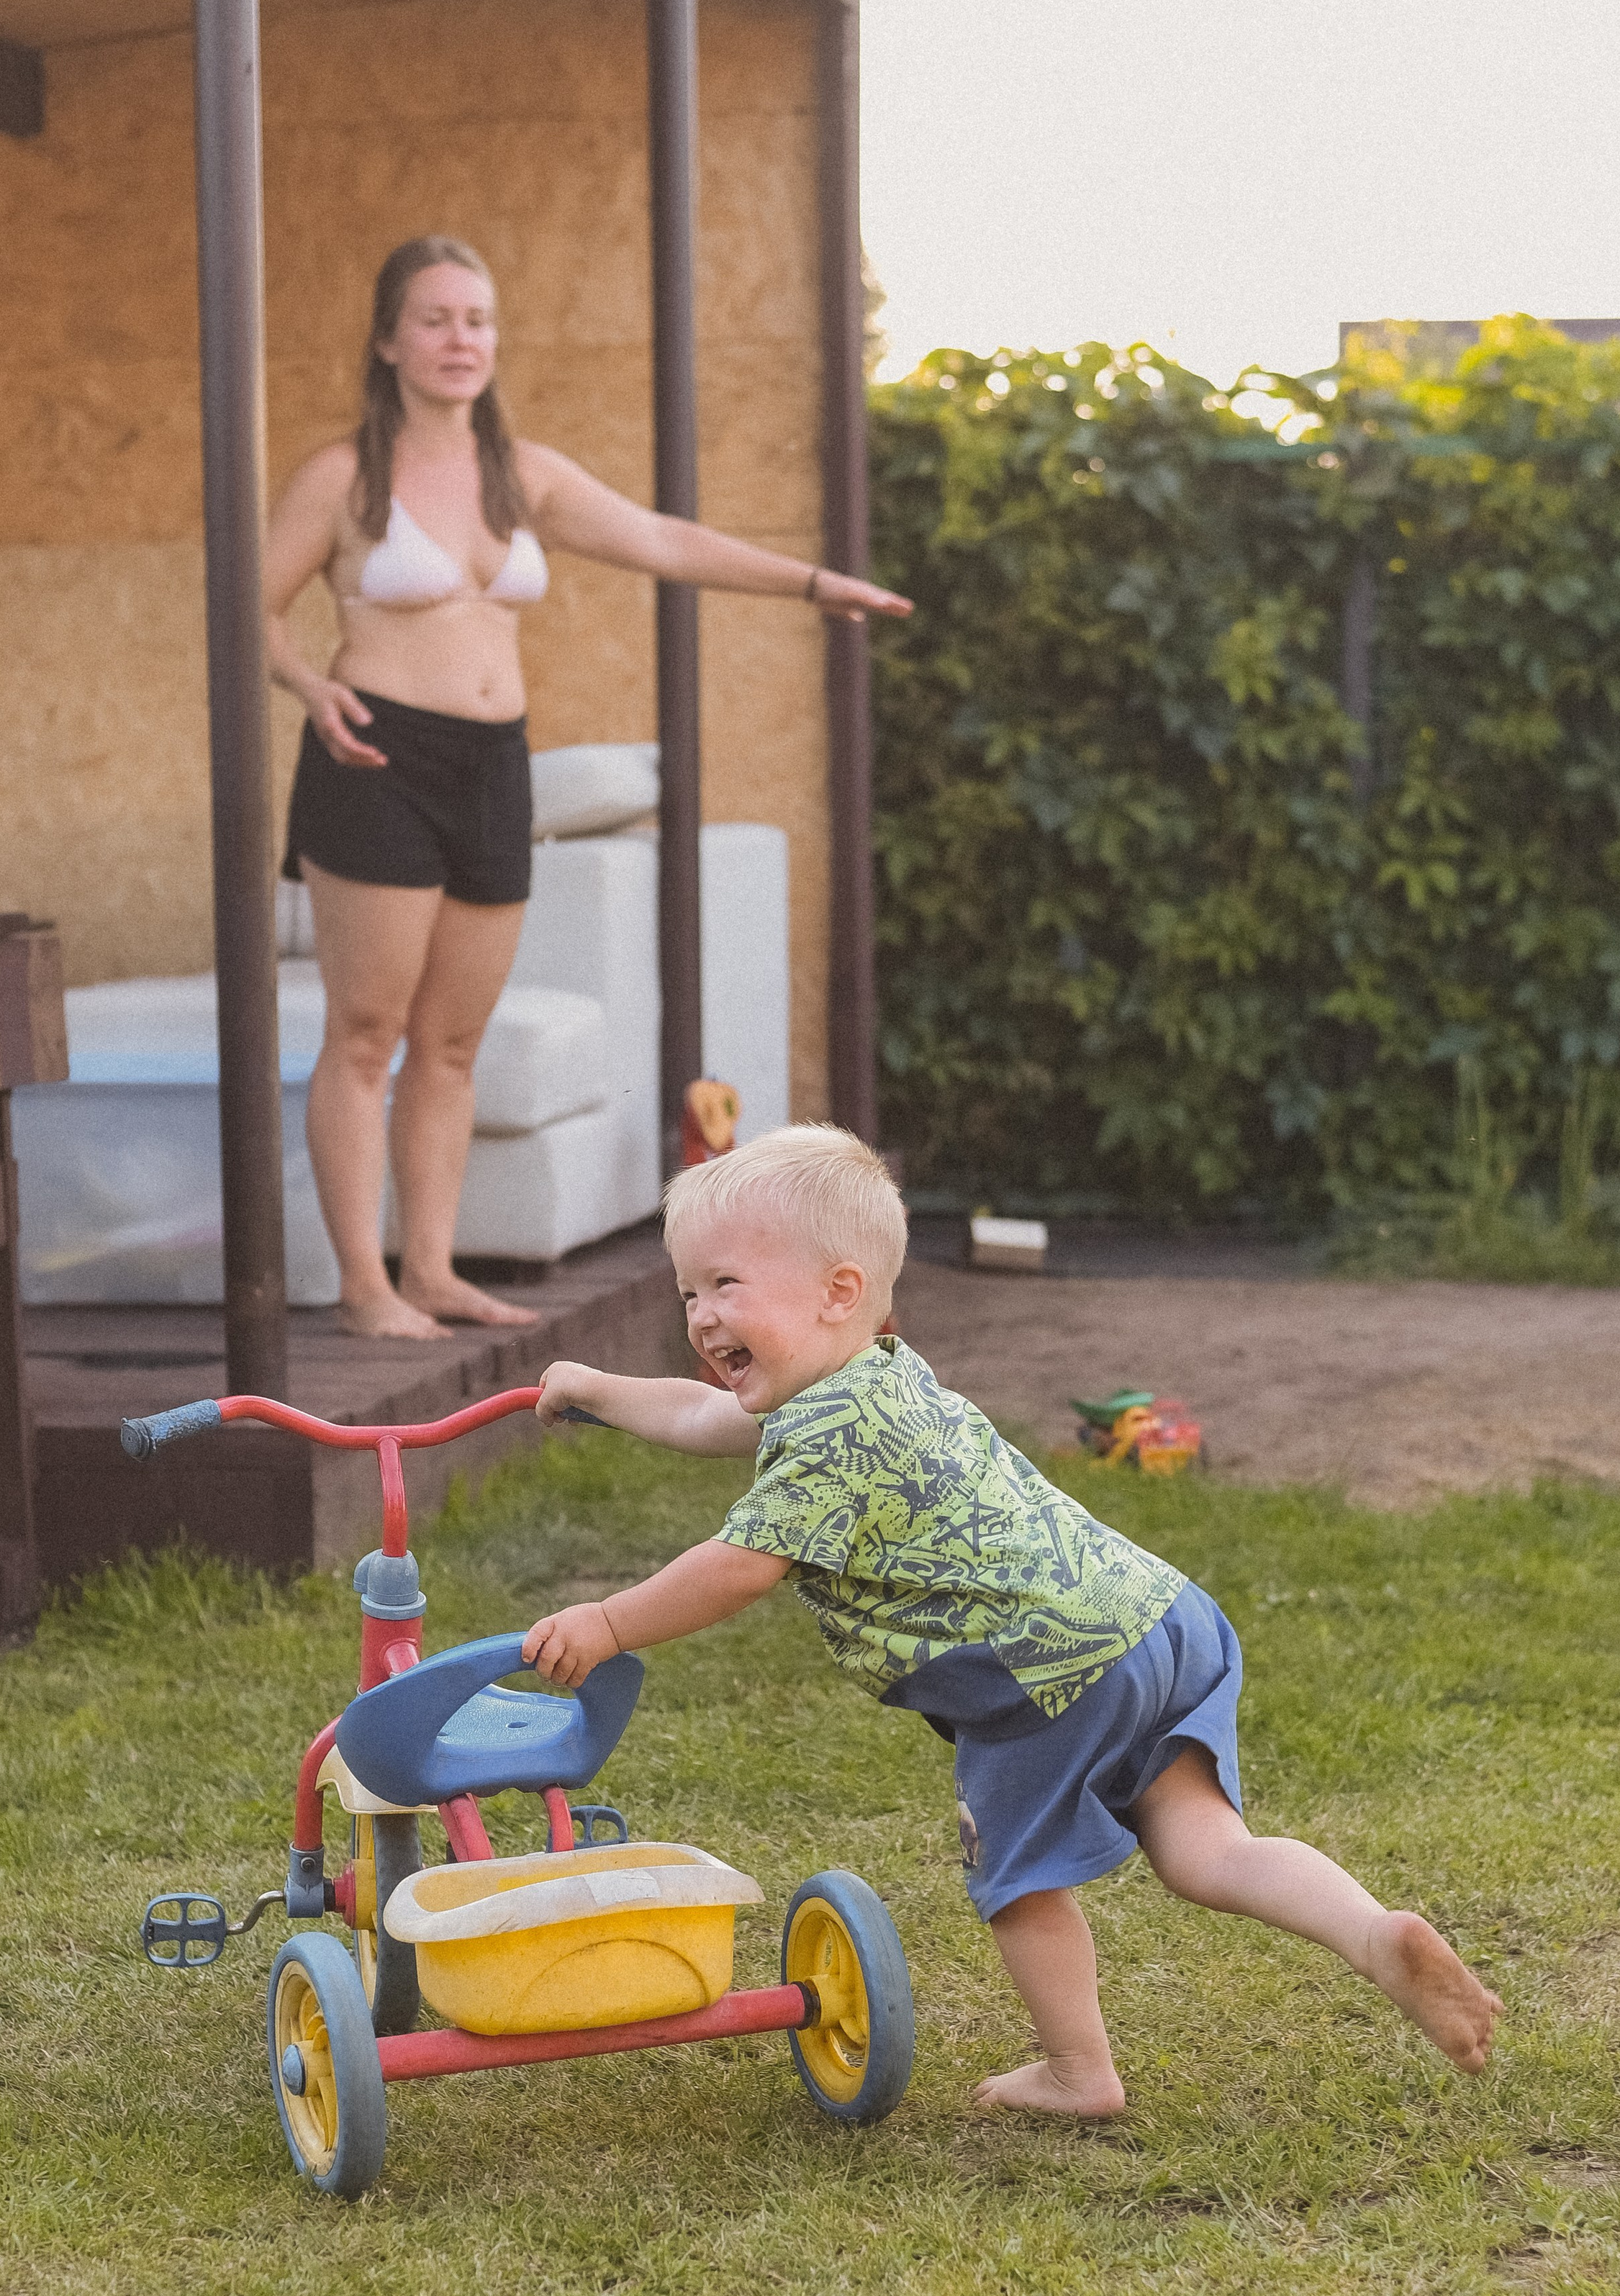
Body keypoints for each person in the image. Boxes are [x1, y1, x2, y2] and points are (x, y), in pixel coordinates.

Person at [521, 1126, 1503, 2115]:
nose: (701, 1315)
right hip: (1155, 1616)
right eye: (689, 1292)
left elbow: (736, 1570)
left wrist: (608, 1621)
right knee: (1210, 1851)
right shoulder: (880, 1373)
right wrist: (597, 1389)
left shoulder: (826, 1435)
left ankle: (1083, 2070)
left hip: (1044, 1674)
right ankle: (1376, 1935)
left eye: (727, 1284)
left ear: (840, 1291)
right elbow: (702, 1418)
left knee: (1018, 1876)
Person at [264, 235, 910, 1341]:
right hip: (372, 757)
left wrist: (808, 583)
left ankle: (431, 1270)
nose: (461, 338)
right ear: (387, 341)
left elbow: (659, 538)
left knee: (454, 1043)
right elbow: (249, 607)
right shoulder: (344, 477)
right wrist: (310, 689)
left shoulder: (524, 474)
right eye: (434, 318)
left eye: (478, 318)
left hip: (491, 763)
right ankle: (365, 1288)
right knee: (368, 1033)